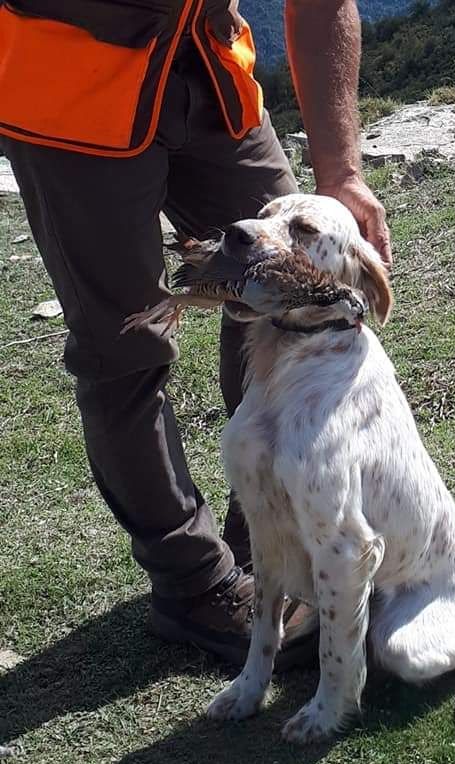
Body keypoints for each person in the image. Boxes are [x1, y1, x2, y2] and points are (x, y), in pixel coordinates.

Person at [0, 0, 391, 669]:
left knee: (298, 292)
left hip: (211, 75)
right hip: (66, 100)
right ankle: (194, 583)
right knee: (125, 347)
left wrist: (342, 173)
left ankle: (269, 541)